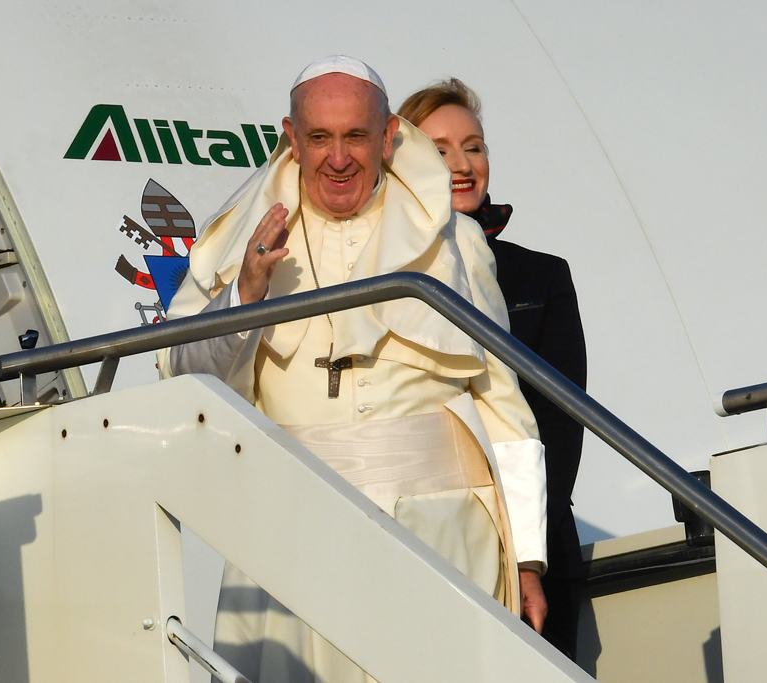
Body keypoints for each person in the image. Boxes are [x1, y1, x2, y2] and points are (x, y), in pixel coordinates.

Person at [158, 56, 548, 682]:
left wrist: (529, 558)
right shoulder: (241, 242)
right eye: (319, 138)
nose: (338, 158)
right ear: (291, 137)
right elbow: (185, 377)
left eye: (355, 136)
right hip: (297, 536)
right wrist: (247, 294)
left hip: (442, 532)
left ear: (389, 135)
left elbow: (505, 404)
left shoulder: (454, 240)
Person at [399, 78, 588, 660]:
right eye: (439, 149)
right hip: (429, 531)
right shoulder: (384, 273)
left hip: (533, 539)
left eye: (473, 146)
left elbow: (561, 418)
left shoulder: (541, 276)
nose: (461, 164)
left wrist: (526, 540)